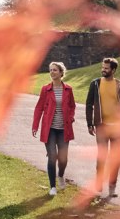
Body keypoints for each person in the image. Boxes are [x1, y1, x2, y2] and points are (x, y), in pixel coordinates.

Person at [85, 57, 120, 199]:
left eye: (106, 68)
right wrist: (90, 123)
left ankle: (112, 187)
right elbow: (89, 104)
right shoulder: (95, 84)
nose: (103, 70)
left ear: (113, 70)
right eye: (102, 67)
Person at [31, 61, 76, 196]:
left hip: (63, 128)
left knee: (63, 158)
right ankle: (52, 187)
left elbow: (72, 106)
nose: (52, 72)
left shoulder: (68, 89)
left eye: (55, 70)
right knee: (52, 157)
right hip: (49, 129)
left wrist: (71, 117)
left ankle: (61, 175)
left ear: (61, 73)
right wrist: (35, 125)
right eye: (50, 70)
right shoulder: (45, 89)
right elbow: (39, 108)